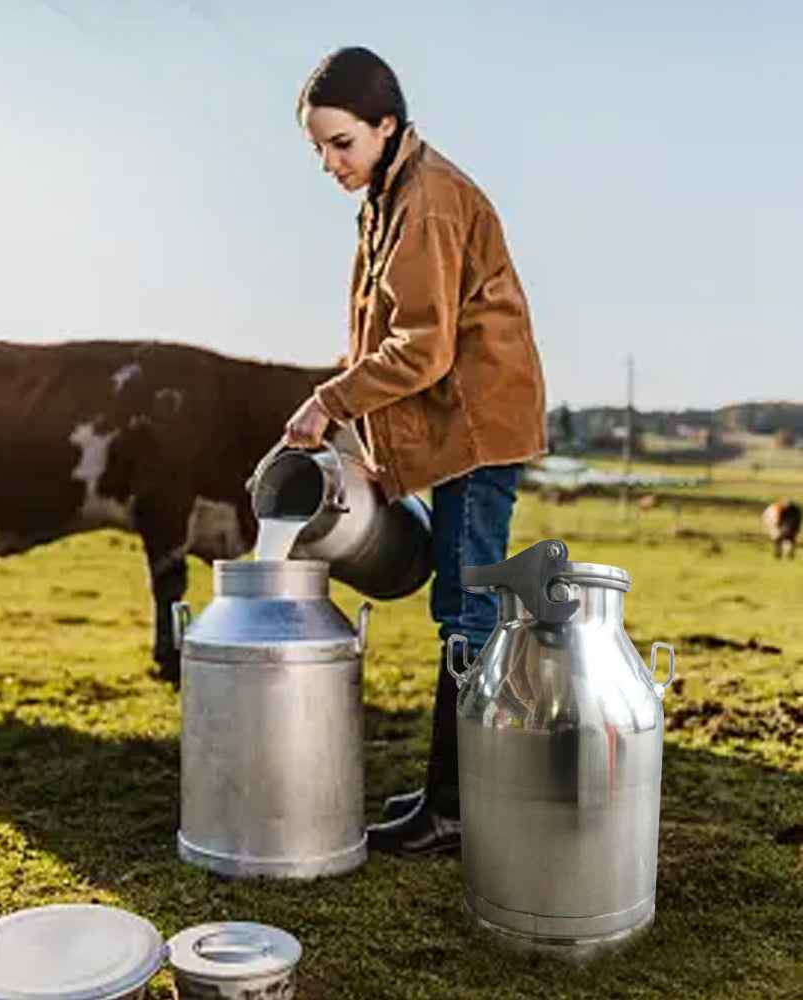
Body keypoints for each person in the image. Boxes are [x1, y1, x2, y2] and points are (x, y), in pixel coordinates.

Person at [284, 46, 547, 855]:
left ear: (386, 126)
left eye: (341, 144)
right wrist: (365, 437)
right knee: (462, 606)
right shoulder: (390, 193)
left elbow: (422, 350)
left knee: (465, 610)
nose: (329, 163)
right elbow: (380, 334)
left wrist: (330, 402)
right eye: (319, 148)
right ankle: (452, 790)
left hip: (477, 429)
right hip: (455, 425)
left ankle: (457, 811)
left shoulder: (427, 203)